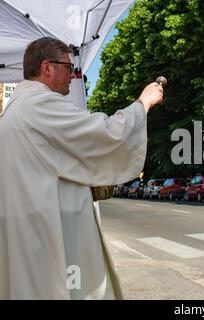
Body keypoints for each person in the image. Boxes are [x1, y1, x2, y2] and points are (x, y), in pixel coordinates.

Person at [0, 37, 163, 299]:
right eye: (68, 66)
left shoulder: (15, 110)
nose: (73, 74)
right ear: (47, 67)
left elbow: (59, 161)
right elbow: (105, 134)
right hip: (51, 233)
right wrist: (143, 103)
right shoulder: (39, 105)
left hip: (28, 235)